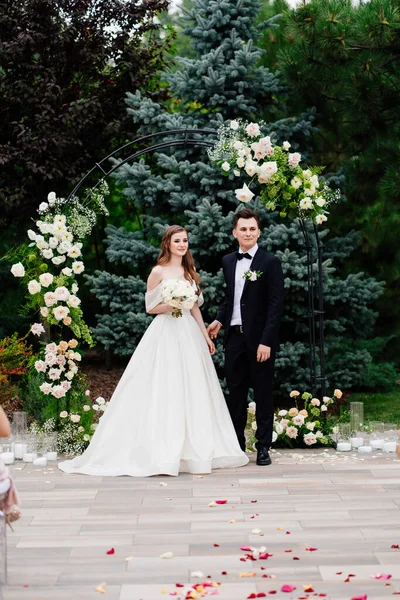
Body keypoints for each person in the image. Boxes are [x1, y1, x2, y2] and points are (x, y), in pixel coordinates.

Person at [59, 225, 248, 477]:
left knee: (193, 384)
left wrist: (205, 336)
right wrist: (172, 304)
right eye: (177, 241)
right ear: (167, 244)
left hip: (189, 332)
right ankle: (162, 447)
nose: (182, 245)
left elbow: (195, 308)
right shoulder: (158, 271)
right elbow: (150, 307)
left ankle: (193, 449)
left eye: (185, 241)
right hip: (166, 331)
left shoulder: (189, 272)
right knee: (166, 382)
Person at [208, 208, 284, 466]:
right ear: (235, 232)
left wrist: (267, 341)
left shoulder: (270, 262)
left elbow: (275, 305)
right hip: (234, 339)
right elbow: (231, 298)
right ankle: (237, 445)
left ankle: (263, 447)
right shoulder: (229, 261)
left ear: (258, 231)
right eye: (243, 229)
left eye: (252, 229)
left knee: (263, 393)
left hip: (260, 339)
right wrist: (218, 320)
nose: (248, 233)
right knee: (236, 393)